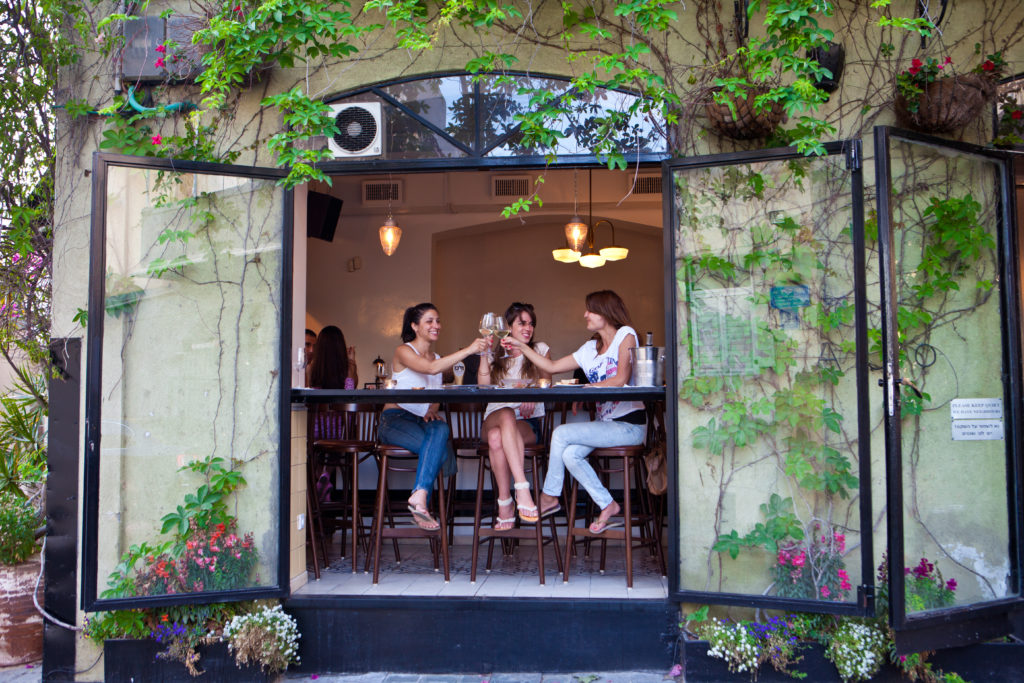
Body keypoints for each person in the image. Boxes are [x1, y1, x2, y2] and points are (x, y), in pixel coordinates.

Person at [502, 290, 645, 534]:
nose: (585, 314)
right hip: (605, 426)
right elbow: (551, 366)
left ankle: (548, 497)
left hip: (628, 426)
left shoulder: (625, 335)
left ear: (606, 312)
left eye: (591, 309)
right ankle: (608, 504)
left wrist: (585, 387)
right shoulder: (590, 348)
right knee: (570, 455)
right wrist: (520, 346)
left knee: (561, 434)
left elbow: (621, 379)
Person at [379, 303, 490, 531]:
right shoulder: (404, 351)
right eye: (429, 321)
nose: (436, 325)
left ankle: (419, 497)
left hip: (422, 423)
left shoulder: (437, 357)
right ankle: (420, 500)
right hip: (395, 419)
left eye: (437, 321)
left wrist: (432, 409)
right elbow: (430, 369)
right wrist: (469, 350)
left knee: (441, 429)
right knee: (438, 451)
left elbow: (435, 391)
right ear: (415, 326)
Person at [477, 302, 551, 530]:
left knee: (497, 438)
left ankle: (505, 504)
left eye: (531, 324)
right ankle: (522, 488)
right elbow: (483, 388)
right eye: (522, 323)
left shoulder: (539, 349)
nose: (528, 328)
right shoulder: (496, 355)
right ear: (508, 327)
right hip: (494, 418)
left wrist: (534, 392)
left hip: (526, 423)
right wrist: (483, 353)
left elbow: (547, 380)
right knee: (505, 413)